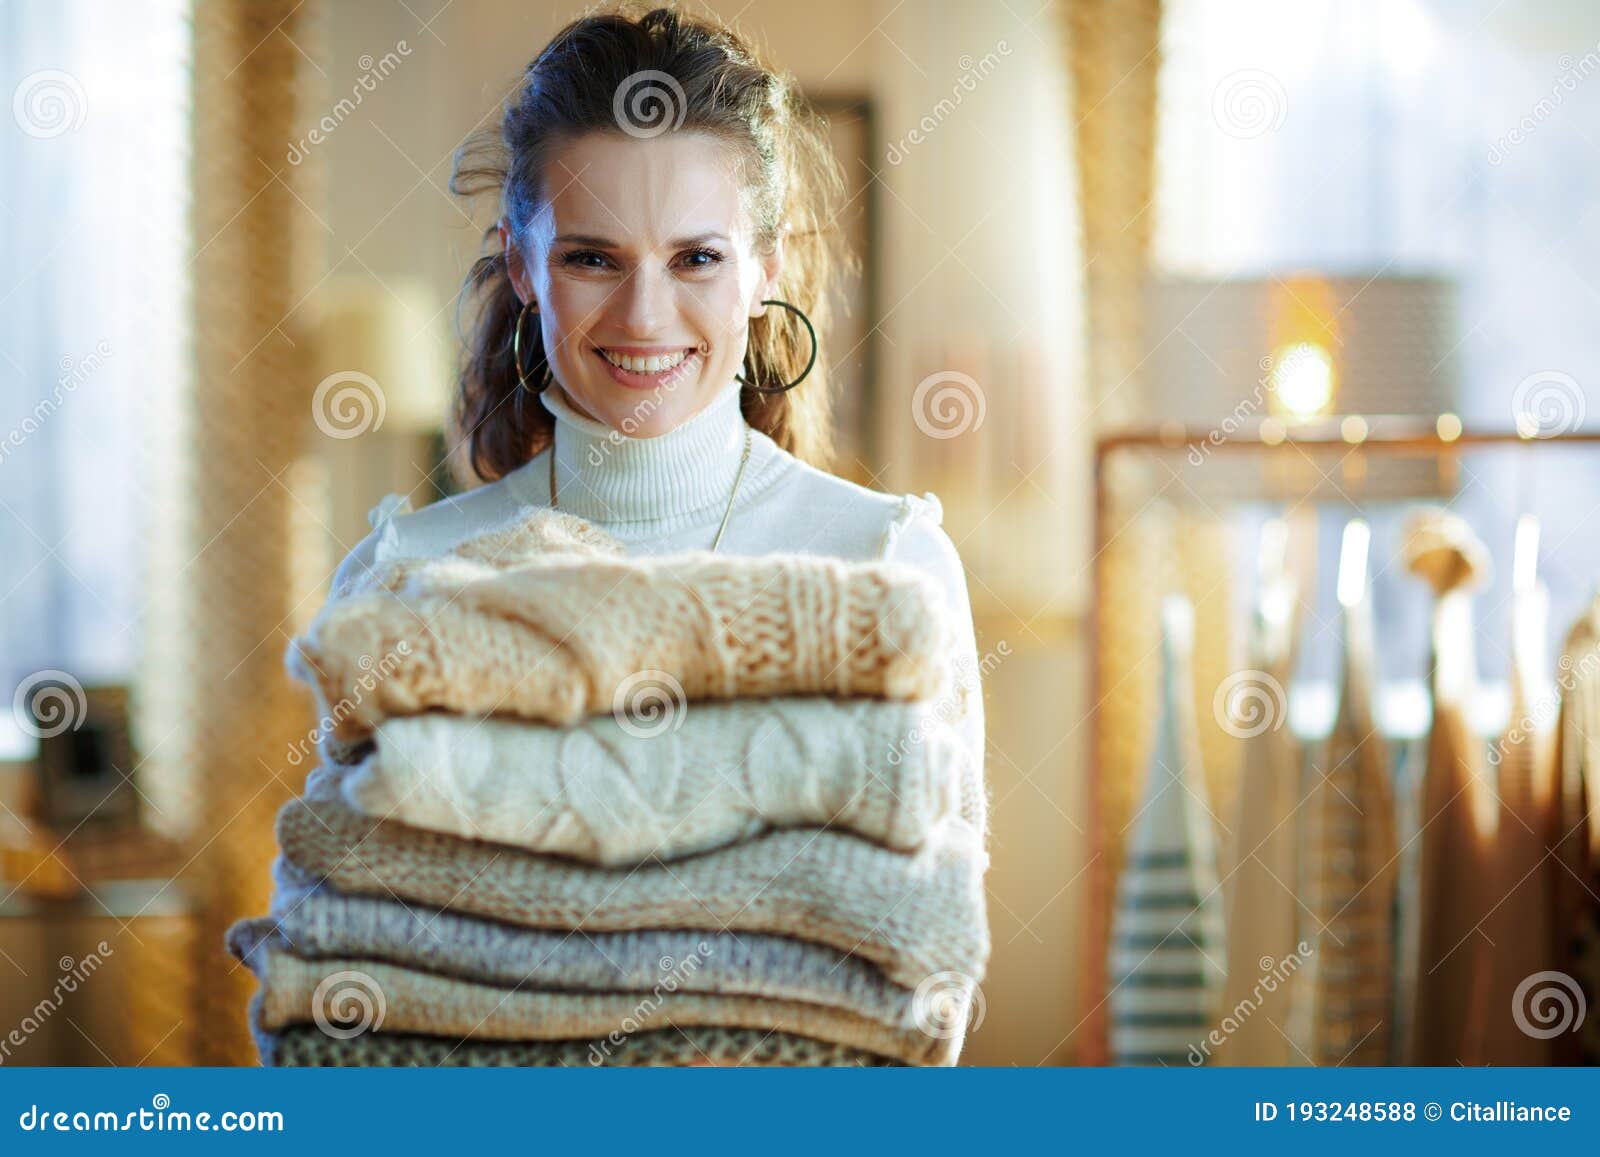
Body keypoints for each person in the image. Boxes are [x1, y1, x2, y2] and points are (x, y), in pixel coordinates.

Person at [331, 4, 985, 801]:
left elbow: (924, 911)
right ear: (523, 268)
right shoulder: (406, 577)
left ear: (764, 272)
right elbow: (345, 909)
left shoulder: (887, 570)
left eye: (697, 258)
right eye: (592, 258)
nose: (644, 316)